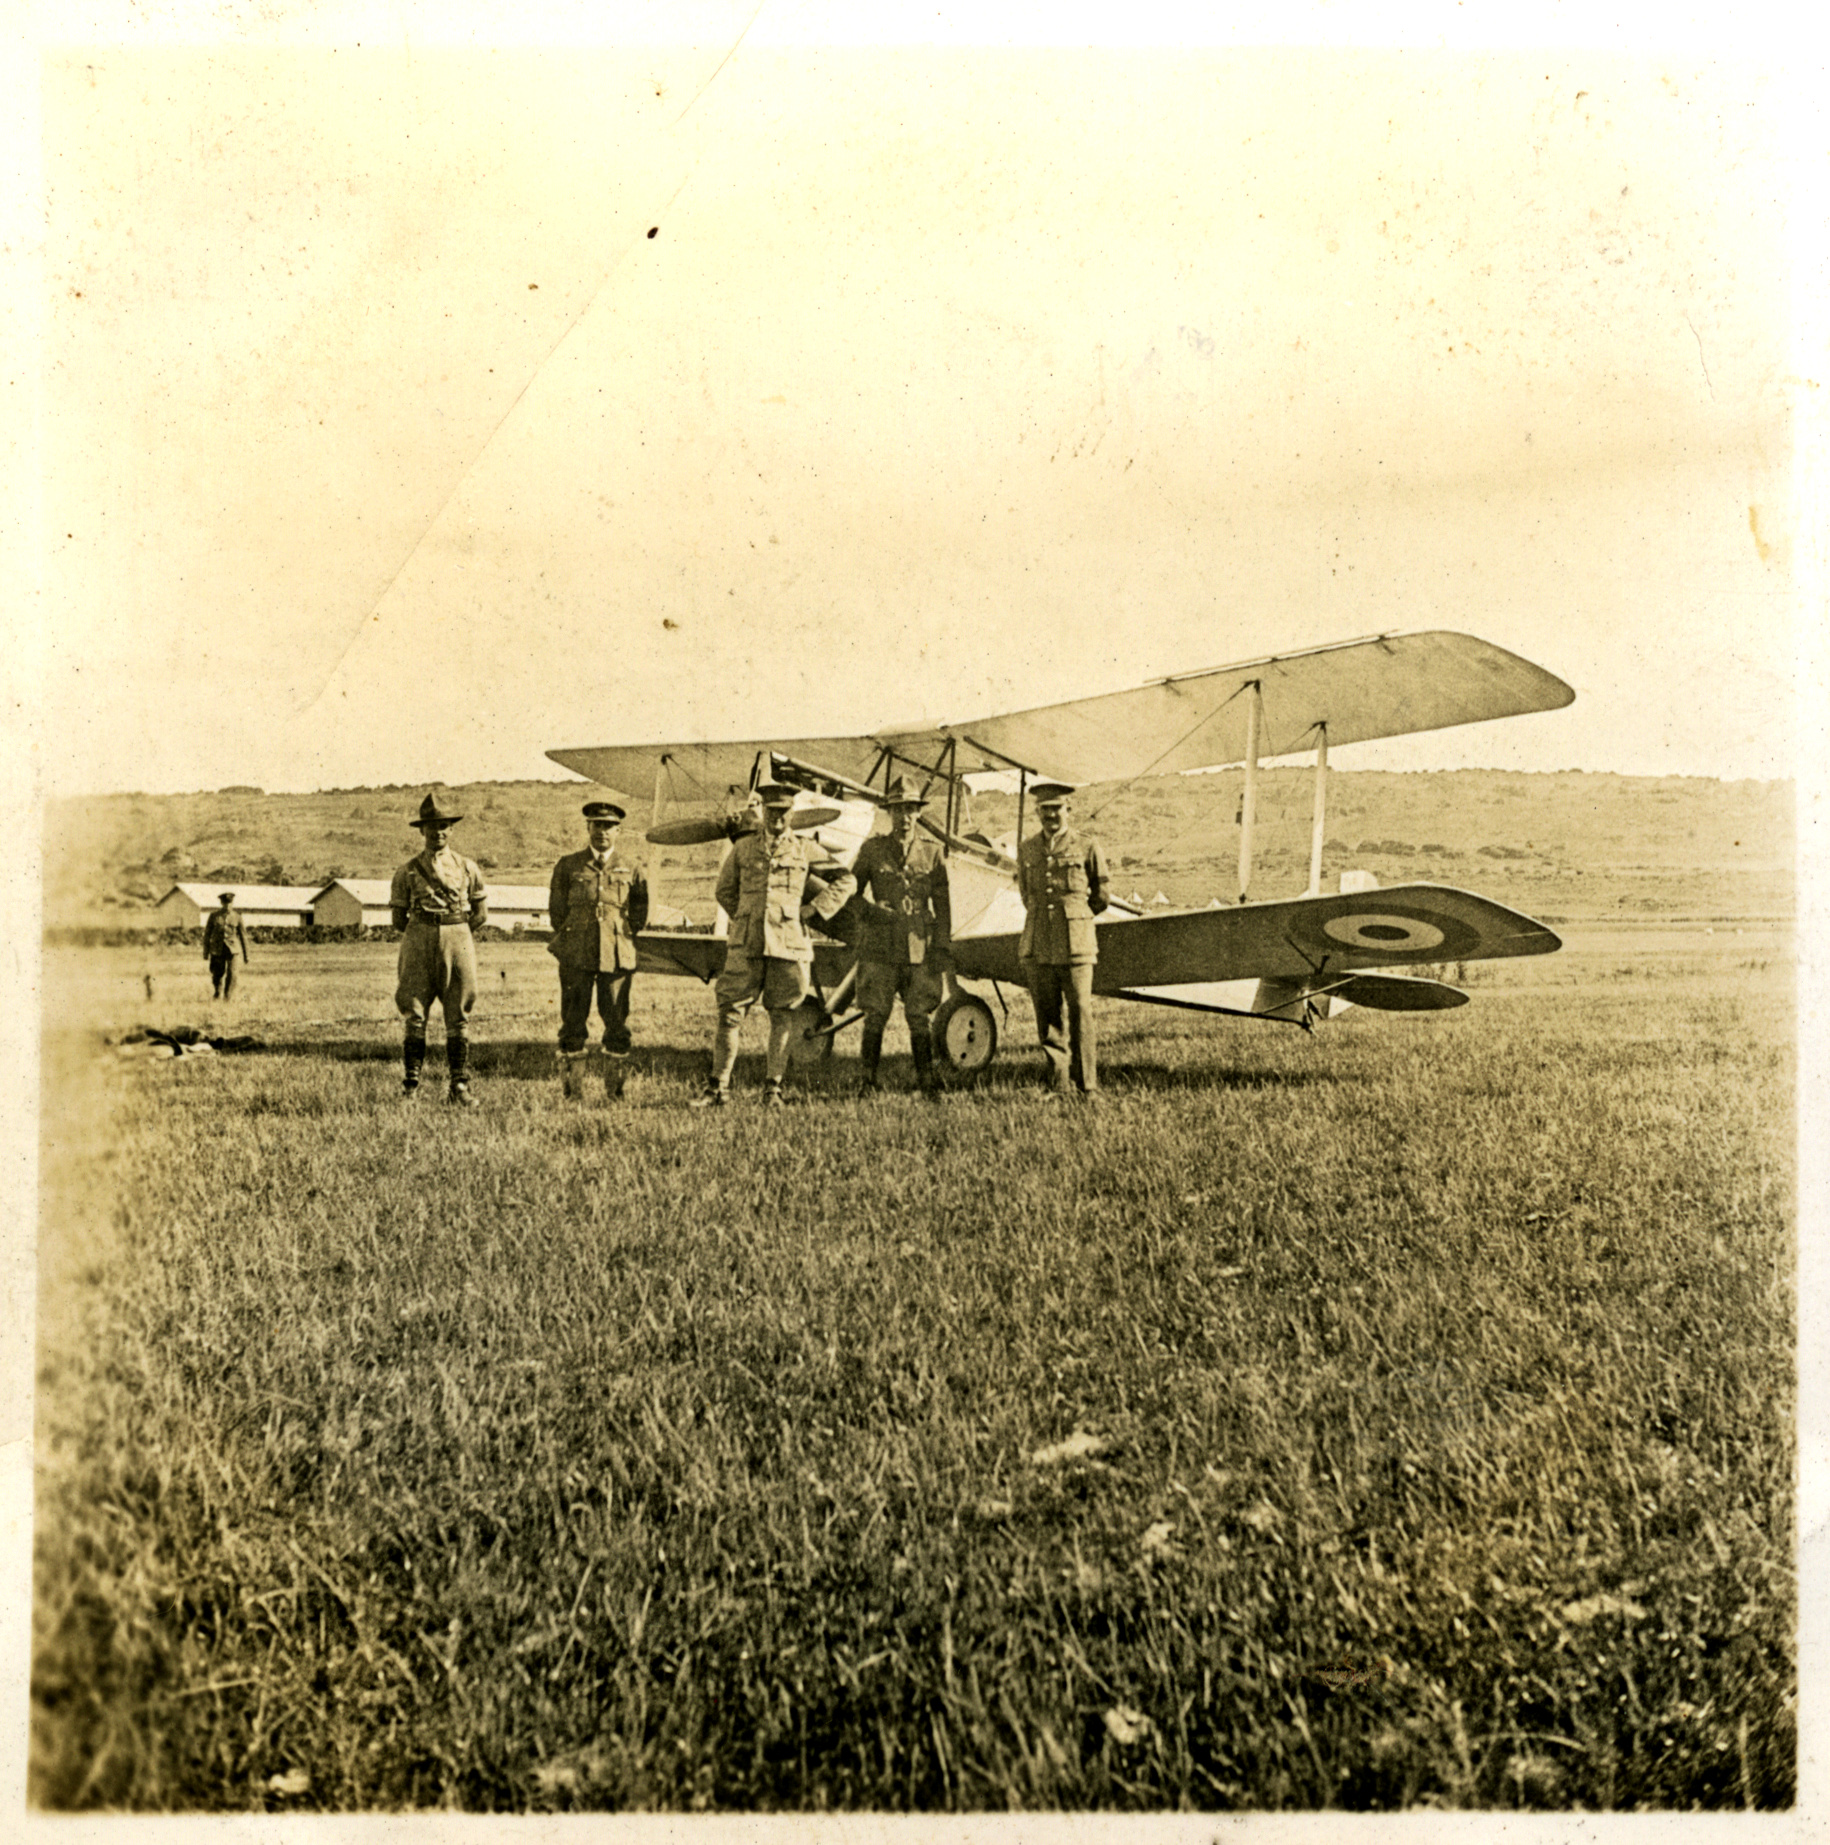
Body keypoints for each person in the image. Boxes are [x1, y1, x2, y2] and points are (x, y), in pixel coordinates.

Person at [692, 781, 855, 1108]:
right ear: (763, 812)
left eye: (783, 811)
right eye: (771, 811)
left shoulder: (805, 848)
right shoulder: (743, 848)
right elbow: (724, 891)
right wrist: (745, 917)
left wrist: (816, 910)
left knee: (783, 1015)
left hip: (788, 945)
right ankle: (717, 1089)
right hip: (747, 945)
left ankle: (772, 1091)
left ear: (792, 813)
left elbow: (845, 880)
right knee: (730, 1014)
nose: (777, 817)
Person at [848, 774, 953, 1095]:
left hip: (919, 946)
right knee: (875, 1015)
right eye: (897, 810)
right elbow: (850, 894)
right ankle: (868, 1081)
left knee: (919, 1016)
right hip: (879, 947)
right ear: (889, 813)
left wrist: (941, 948)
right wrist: (871, 912)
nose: (904, 817)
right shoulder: (872, 850)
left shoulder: (933, 854)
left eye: (910, 809)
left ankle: (926, 1079)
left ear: (918, 813)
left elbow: (943, 906)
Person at [389, 793, 489, 1105]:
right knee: (415, 1012)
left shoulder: (468, 868)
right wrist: (425, 933)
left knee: (458, 1013)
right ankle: (411, 1086)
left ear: (451, 829)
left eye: (444, 826)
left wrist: (455, 931)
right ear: (422, 831)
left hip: (458, 935)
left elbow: (481, 913)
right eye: (432, 827)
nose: (438, 832)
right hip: (418, 937)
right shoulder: (406, 871)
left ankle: (459, 1086)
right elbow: (397, 918)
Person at [547, 799, 649, 1101]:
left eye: (609, 826)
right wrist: (576, 932)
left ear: (618, 830)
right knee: (573, 1020)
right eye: (597, 825)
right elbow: (555, 912)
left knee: (617, 1019)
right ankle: (572, 1092)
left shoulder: (632, 867)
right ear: (588, 828)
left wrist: (621, 934)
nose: (602, 831)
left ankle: (614, 1092)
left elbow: (640, 911)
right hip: (576, 953)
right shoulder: (568, 865)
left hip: (616, 954)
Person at [1017, 781, 1111, 1098]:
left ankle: (1088, 1086)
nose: (1051, 815)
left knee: (1081, 1010)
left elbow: (1100, 897)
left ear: (1068, 809)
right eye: (1045, 810)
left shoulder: (1087, 845)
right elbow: (1027, 896)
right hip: (1039, 943)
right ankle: (1058, 1083)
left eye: (1056, 808)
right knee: (1048, 1015)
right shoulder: (1027, 849)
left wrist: (1076, 920)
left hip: (1076, 946)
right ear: (1037, 813)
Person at [202, 891, 249, 999]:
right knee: (217, 974)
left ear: (232, 903)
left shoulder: (237, 917)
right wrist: (206, 952)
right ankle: (217, 993)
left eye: (230, 903)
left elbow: (243, 937)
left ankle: (228, 996)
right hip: (217, 949)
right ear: (222, 904)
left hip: (232, 950)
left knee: (233, 974)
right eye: (225, 903)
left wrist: (247, 955)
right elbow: (207, 935)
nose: (228, 906)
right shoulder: (214, 916)